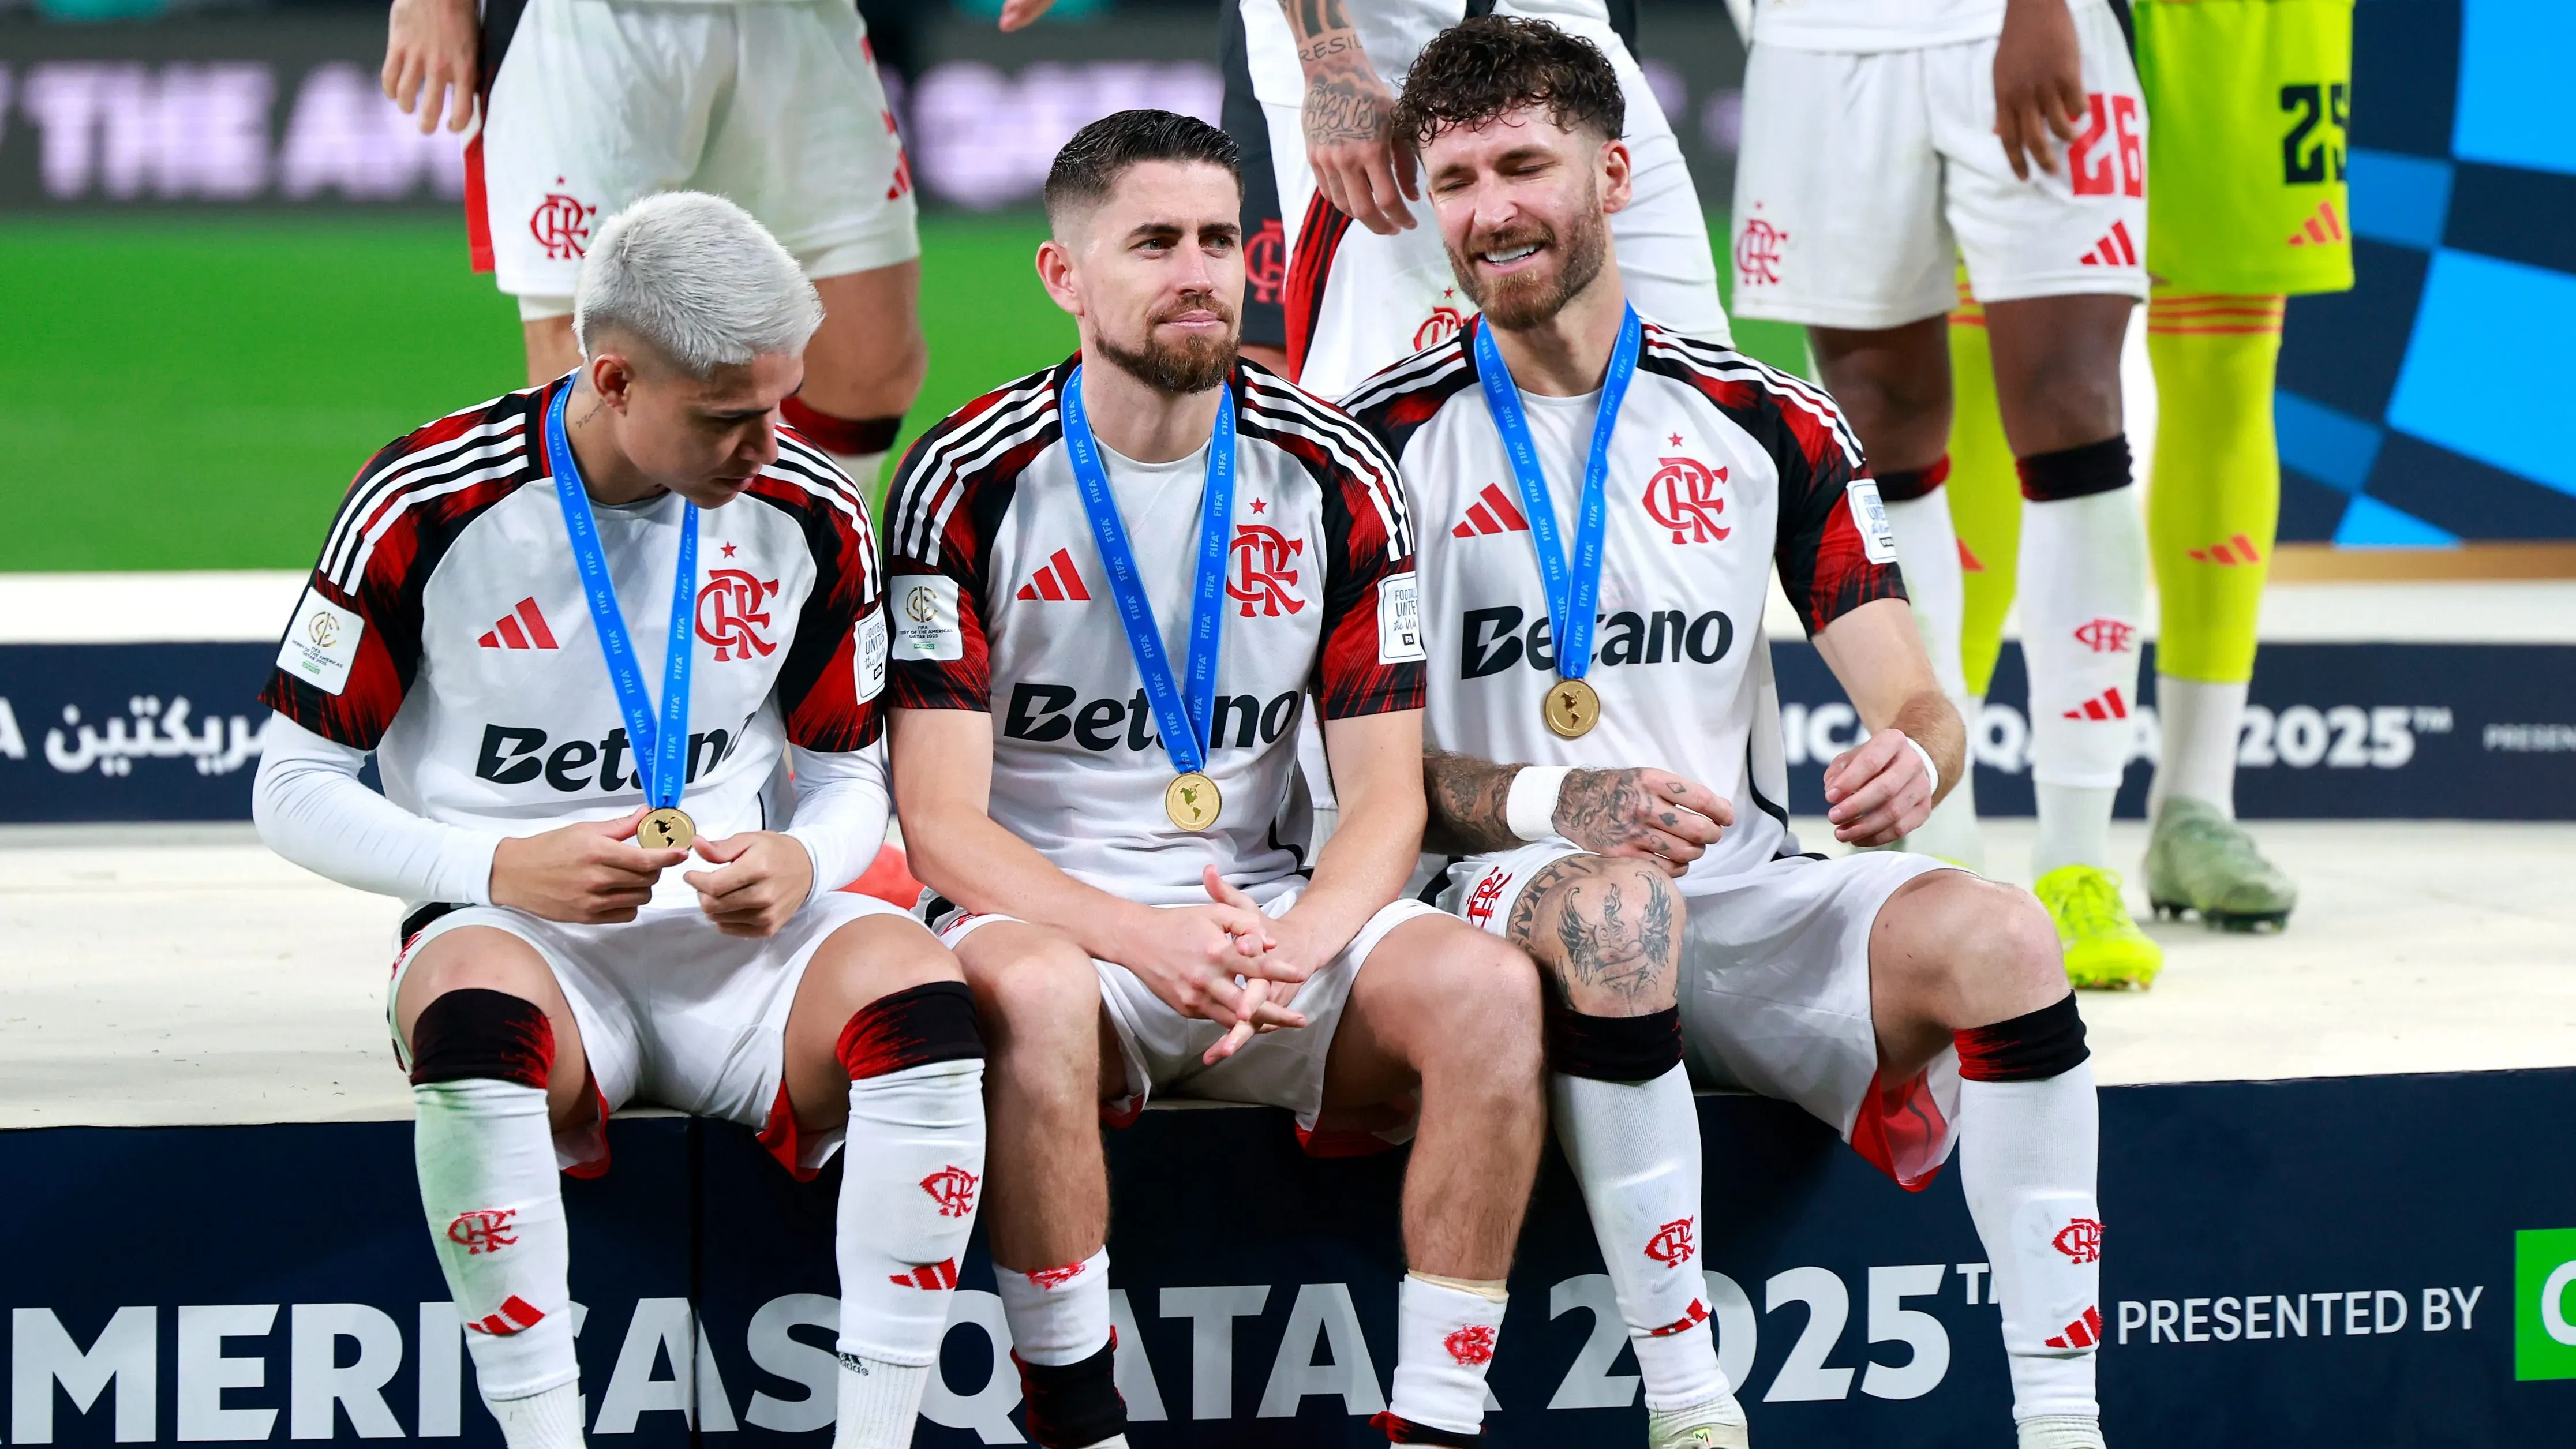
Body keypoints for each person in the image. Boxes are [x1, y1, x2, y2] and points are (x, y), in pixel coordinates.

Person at [1346, 20, 2111, 1447]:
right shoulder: (1371, 448)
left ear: (1611, 174)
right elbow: (1344, 784)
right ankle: (1693, 1408)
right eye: (1454, 181)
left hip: (1740, 891)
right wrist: (1551, 802)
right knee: (1619, 908)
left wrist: (1912, 757)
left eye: (1523, 166)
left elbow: (1917, 702)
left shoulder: (1765, 421)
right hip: (1494, 893)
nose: (1491, 211)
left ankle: (2063, 1420)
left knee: (2007, 936)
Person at [251, 193, 980, 1449]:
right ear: (613, 378)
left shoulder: (810, 510)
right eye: (728, 415)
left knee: (926, 1004)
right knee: (474, 1026)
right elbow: (292, 787)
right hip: (517, 936)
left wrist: (803, 858)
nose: (769, 443)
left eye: (783, 402)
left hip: (744, 946)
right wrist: (497, 866)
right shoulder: (427, 501)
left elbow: (849, 776)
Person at [882, 110, 1546, 1449]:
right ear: (1064, 277)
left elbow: (1384, 797)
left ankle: (1437, 1420)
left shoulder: (1336, 469)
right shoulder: (965, 477)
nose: (1198, 273)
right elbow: (938, 823)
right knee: (1033, 994)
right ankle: (1079, 1419)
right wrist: (1142, 936)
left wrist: (1296, 942)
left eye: (1217, 240)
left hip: (1264, 924)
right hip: (1054, 922)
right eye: (1153, 243)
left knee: (1489, 988)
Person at [1727, 0, 2162, 987]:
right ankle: (1943, 843)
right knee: (1876, 415)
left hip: (2004, 21)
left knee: (2072, 406)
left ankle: (2078, 860)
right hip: (1818, 39)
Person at [379, 0, 926, 488]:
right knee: (591, 354)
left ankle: (809, 553)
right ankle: (619, 566)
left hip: (799, 19)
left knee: (870, 359)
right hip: (592, 27)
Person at [1244, 0, 1730, 397]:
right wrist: (1331, 62)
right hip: (1381, 44)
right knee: (1390, 395)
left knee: (1696, 367)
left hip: (1570, 21)